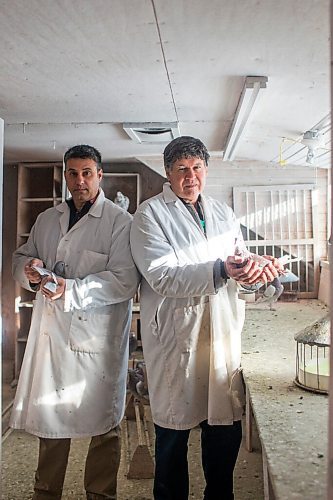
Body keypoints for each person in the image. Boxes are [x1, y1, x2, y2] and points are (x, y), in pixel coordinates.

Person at [130, 136, 283, 500]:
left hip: (221, 334)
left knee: (224, 429)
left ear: (206, 171)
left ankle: (220, 495)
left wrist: (256, 274)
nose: (190, 176)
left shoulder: (222, 212)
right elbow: (162, 276)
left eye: (197, 168)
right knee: (173, 434)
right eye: (182, 169)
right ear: (168, 173)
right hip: (177, 336)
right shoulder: (149, 215)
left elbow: (237, 262)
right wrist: (223, 268)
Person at [10, 144, 139, 500]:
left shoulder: (119, 222)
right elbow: (22, 256)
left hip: (96, 338)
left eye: (86, 173)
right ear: (65, 175)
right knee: (51, 417)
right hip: (53, 334)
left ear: (100, 175)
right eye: (72, 173)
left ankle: (100, 494)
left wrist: (72, 289)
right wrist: (30, 272)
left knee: (104, 423)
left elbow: (124, 281)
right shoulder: (48, 219)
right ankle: (46, 491)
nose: (79, 181)